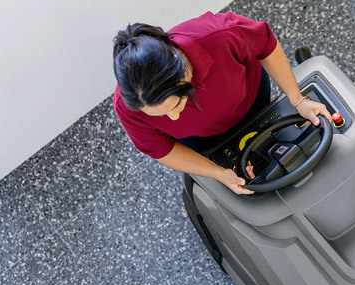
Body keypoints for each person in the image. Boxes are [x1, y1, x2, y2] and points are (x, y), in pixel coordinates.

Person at [111, 12, 329, 195]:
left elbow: (266, 45)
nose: (175, 118)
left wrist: (297, 99)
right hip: (199, 139)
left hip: (251, 99)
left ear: (184, 77)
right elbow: (162, 149)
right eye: (160, 115)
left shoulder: (219, 35)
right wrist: (217, 172)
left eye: (176, 105)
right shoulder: (128, 104)